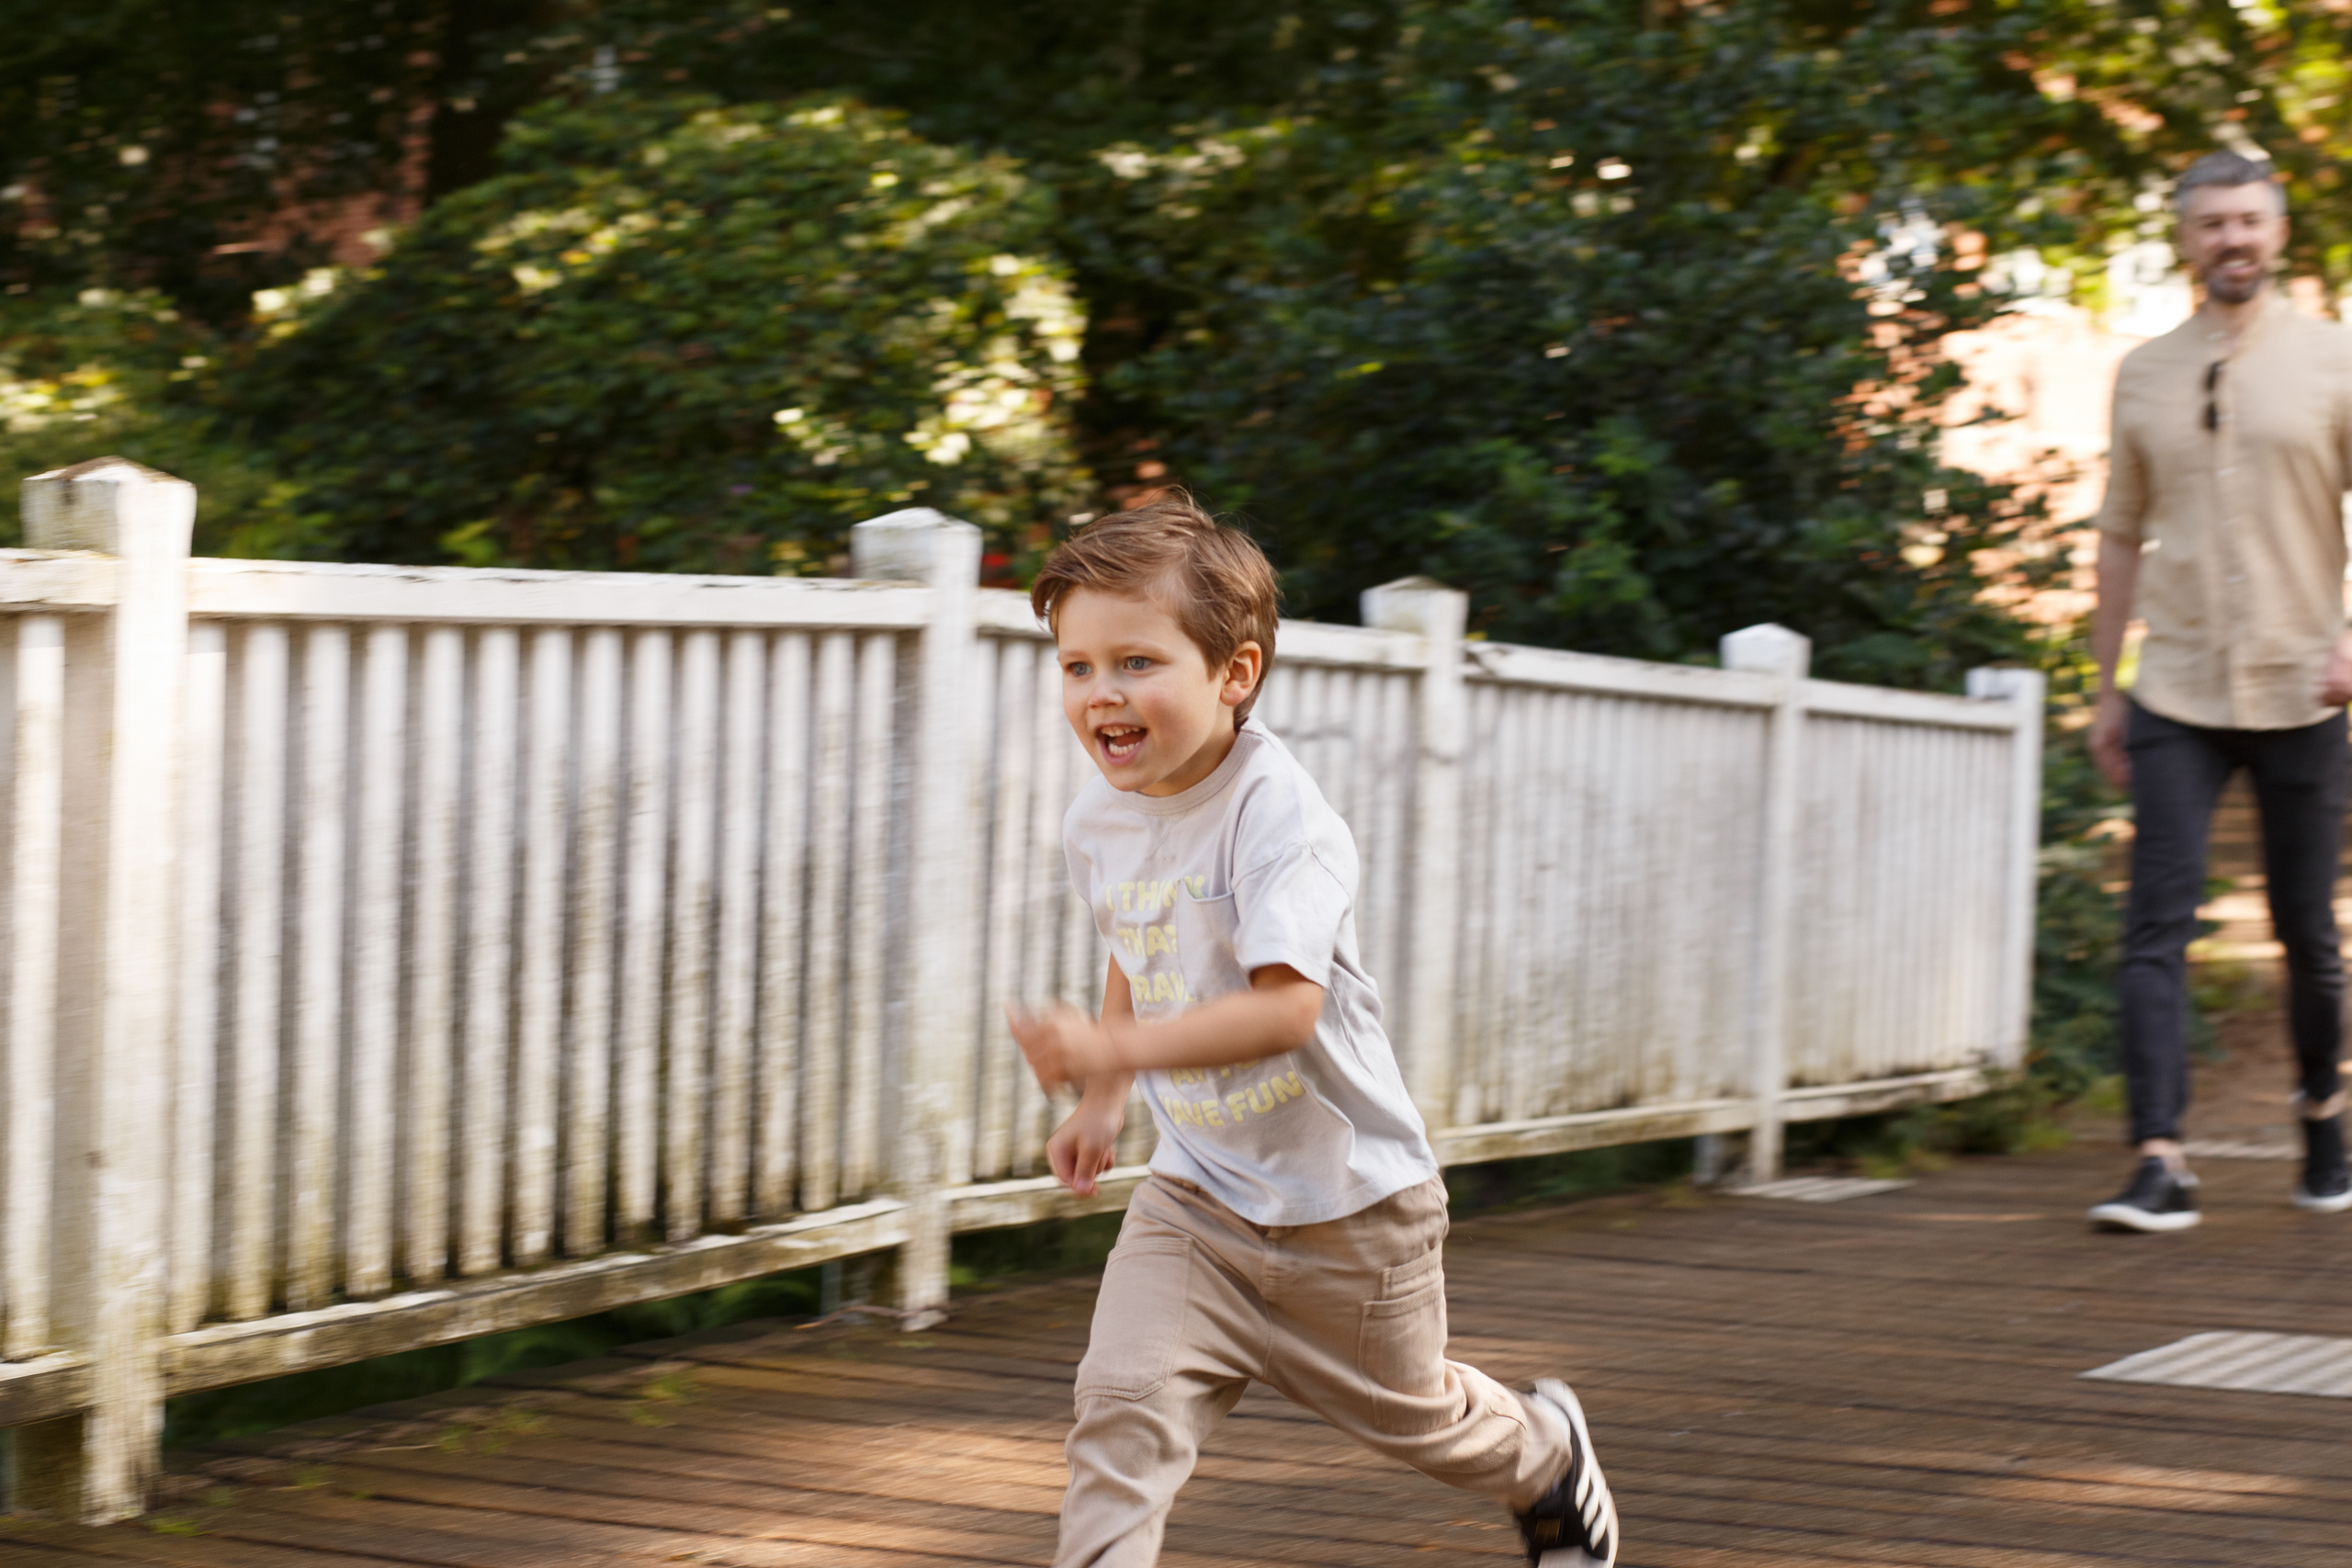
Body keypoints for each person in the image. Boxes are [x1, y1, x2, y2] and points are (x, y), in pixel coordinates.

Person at [1004, 493, 1617, 1567]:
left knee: (1416, 1416)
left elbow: (1287, 1009)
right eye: (1077, 667)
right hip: (1196, 1202)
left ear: (1232, 674)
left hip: (1349, 1212)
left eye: (1137, 663)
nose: (1102, 693)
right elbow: (1132, 942)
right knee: (1118, 1406)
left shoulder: (1278, 815)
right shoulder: (1099, 817)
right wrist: (1105, 1099)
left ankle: (1545, 1455)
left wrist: (1113, 1055)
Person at [2086, 149, 2352, 1233]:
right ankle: (2159, 1158)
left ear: (2276, 231)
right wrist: (2106, 688)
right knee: (2154, 927)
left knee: (2308, 932)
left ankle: (2324, 1117)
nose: (2230, 240)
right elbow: (2116, 537)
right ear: (2185, 239)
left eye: (2247, 221)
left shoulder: (2335, 360)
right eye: (2211, 225)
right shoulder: (2143, 371)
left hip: (2304, 686)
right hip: (2177, 690)